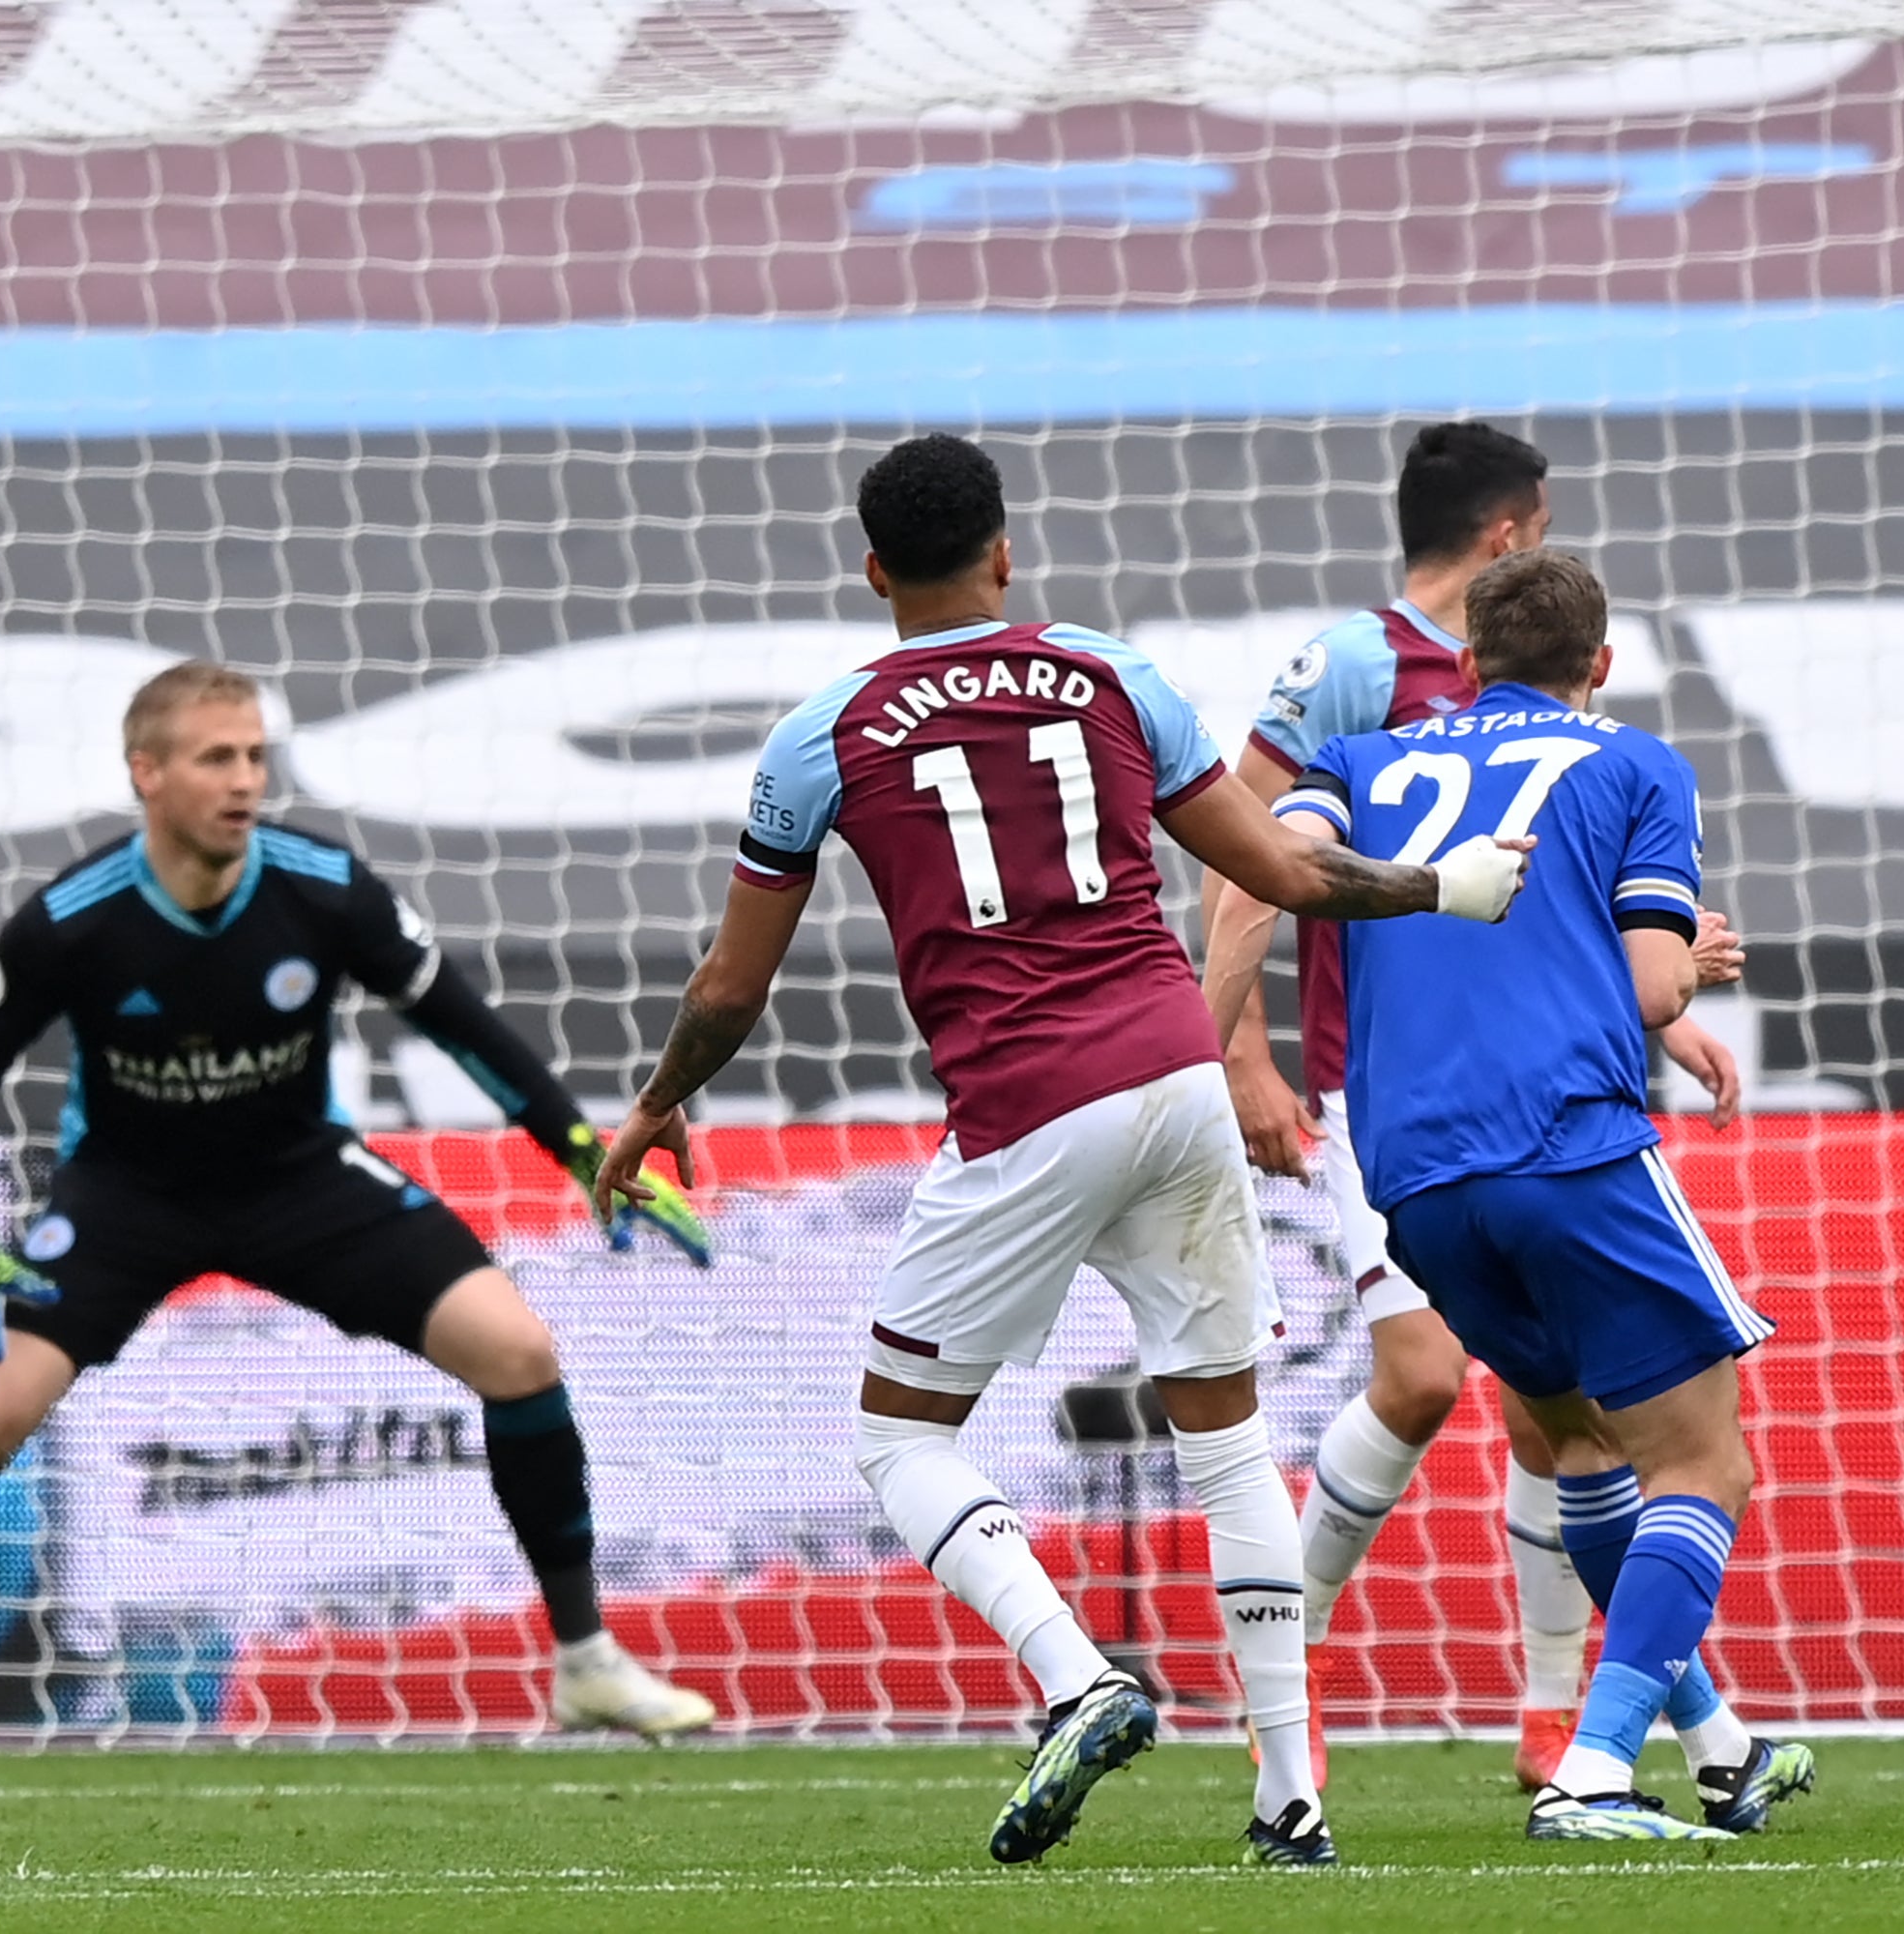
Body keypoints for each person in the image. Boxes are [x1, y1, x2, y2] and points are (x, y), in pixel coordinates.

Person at [591, 433, 1526, 1868]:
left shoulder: (820, 736)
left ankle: (1075, 1677)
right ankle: (1291, 1802)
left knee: (901, 1432)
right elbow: (1277, 866)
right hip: (1175, 1074)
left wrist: (657, 1104)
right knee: (1230, 1443)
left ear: (874, 570)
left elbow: (729, 990)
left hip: (1026, 1109)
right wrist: (1441, 888)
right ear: (1007, 553)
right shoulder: (1110, 671)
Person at [0, 660, 716, 1761]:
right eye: (217, 756)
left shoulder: (323, 888)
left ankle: (587, 1661)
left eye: (254, 755)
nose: (245, 778)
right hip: (126, 1196)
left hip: (300, 1178)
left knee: (521, 1352)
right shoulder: (77, 917)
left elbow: (464, 1024)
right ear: (146, 773)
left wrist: (584, 1148)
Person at [1198, 420, 1753, 1792]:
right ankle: (1304, 1662)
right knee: (1441, 1380)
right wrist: (1237, 1060)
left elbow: (1328, 863)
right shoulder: (1354, 666)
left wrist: (1658, 1019)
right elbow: (1242, 865)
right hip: (1404, 1092)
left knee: (1550, 1420)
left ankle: (1577, 1715)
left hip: (1427, 1124)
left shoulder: (1414, 747)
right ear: (1518, 533)